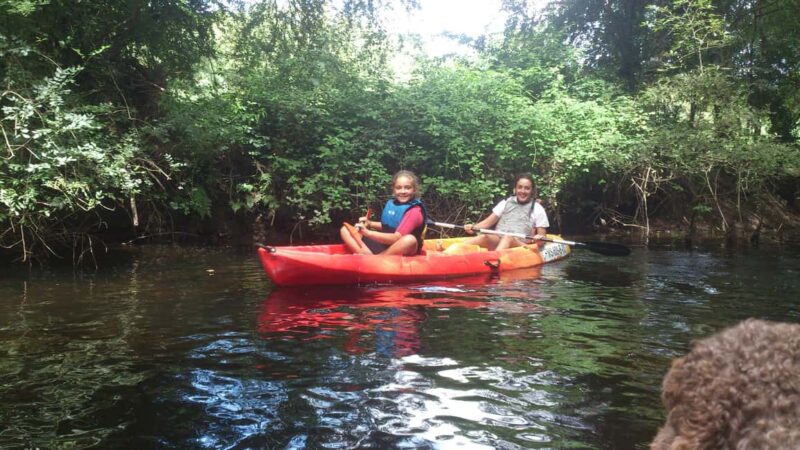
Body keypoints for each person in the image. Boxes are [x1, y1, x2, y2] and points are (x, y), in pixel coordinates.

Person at [339, 170, 427, 256]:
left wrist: (368, 233)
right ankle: (368, 255)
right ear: (393, 189)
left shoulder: (414, 211)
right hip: (385, 246)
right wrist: (370, 224)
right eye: (398, 188)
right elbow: (388, 227)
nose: (403, 191)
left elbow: (397, 238)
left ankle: (378, 260)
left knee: (409, 240)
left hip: (401, 249)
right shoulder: (392, 204)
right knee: (345, 229)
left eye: (407, 188)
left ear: (414, 190)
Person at [463, 173, 548, 251]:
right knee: (485, 236)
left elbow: (542, 238)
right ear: (515, 189)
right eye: (520, 187)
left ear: (532, 191)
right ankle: (454, 252)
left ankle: (494, 259)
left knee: (508, 238)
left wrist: (539, 238)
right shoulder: (505, 203)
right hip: (499, 239)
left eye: (527, 188)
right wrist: (473, 228)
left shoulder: (538, 209)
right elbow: (486, 223)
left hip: (521, 246)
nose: (522, 191)